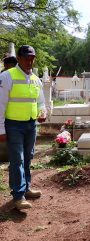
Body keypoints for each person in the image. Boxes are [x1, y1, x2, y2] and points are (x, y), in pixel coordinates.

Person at [0, 45, 47, 210]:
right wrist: (1, 130)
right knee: (17, 159)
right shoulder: (7, 76)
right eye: (26, 58)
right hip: (13, 125)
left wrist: (43, 112)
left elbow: (41, 101)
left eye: (32, 58)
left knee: (28, 157)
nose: (30, 61)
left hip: (31, 124)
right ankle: (18, 196)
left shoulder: (35, 79)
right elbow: (0, 104)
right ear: (19, 59)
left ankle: (26, 188)